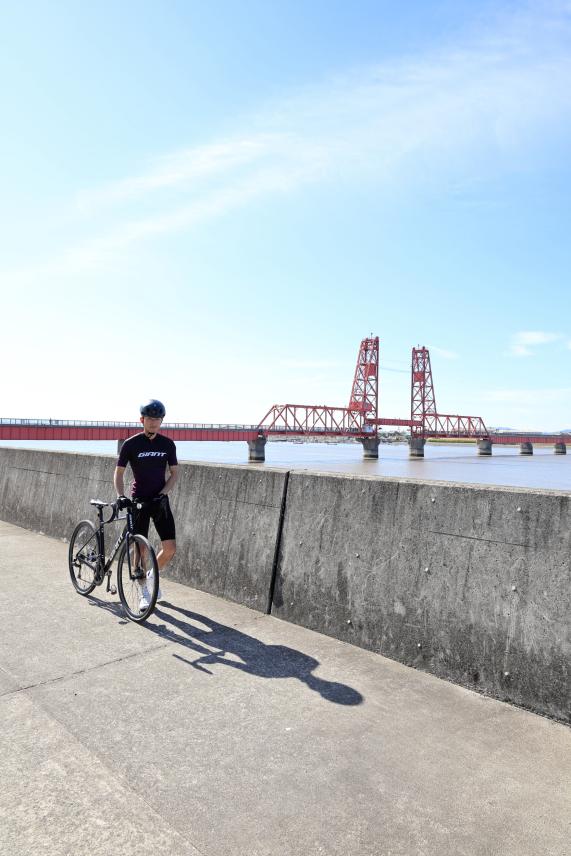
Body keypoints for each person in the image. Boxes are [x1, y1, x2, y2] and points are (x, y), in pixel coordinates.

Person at [114, 399, 178, 610]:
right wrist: (121, 495)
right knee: (140, 549)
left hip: (159, 501)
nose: (153, 422)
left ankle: (151, 576)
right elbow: (119, 473)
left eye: (157, 419)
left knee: (170, 548)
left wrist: (163, 494)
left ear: (161, 421)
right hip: (139, 502)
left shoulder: (167, 444)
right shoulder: (131, 444)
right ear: (142, 420)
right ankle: (143, 591)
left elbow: (174, 473)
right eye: (150, 418)